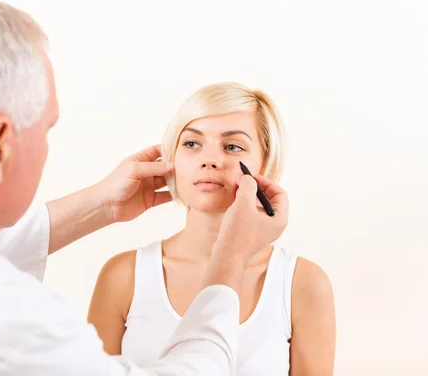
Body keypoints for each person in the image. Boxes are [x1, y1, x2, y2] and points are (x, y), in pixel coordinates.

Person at [0, 0, 290, 375]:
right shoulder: (12, 321)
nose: (212, 159)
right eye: (46, 128)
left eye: (233, 147)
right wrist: (231, 258)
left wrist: (102, 205)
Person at [88, 82, 336, 375]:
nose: (210, 160)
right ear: (172, 157)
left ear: (265, 164)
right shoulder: (122, 277)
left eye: (232, 146)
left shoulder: (303, 284)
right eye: (192, 143)